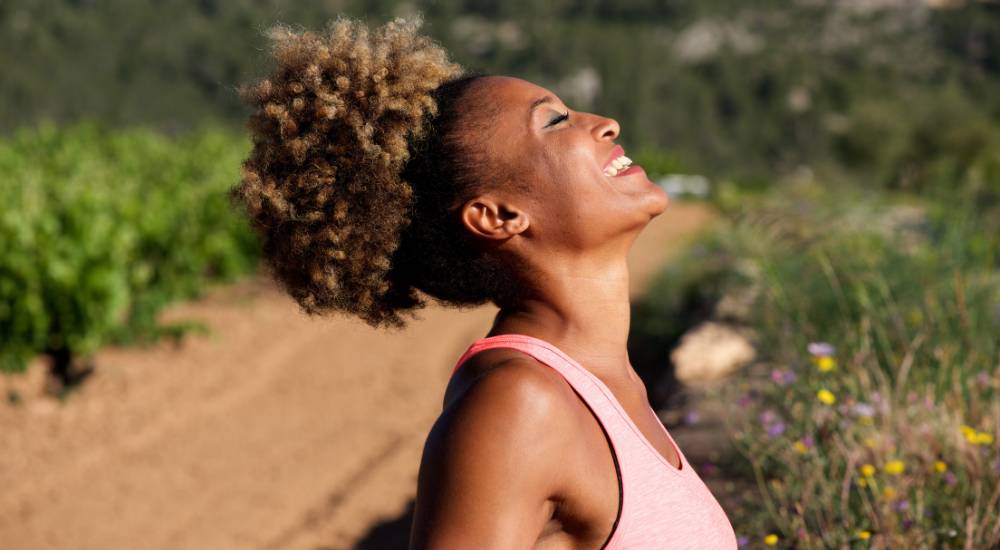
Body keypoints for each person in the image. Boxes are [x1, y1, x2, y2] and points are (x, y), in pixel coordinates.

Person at [232, 16, 738, 550]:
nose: (606, 123)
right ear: (497, 216)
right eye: (554, 122)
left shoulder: (609, 384)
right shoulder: (520, 406)